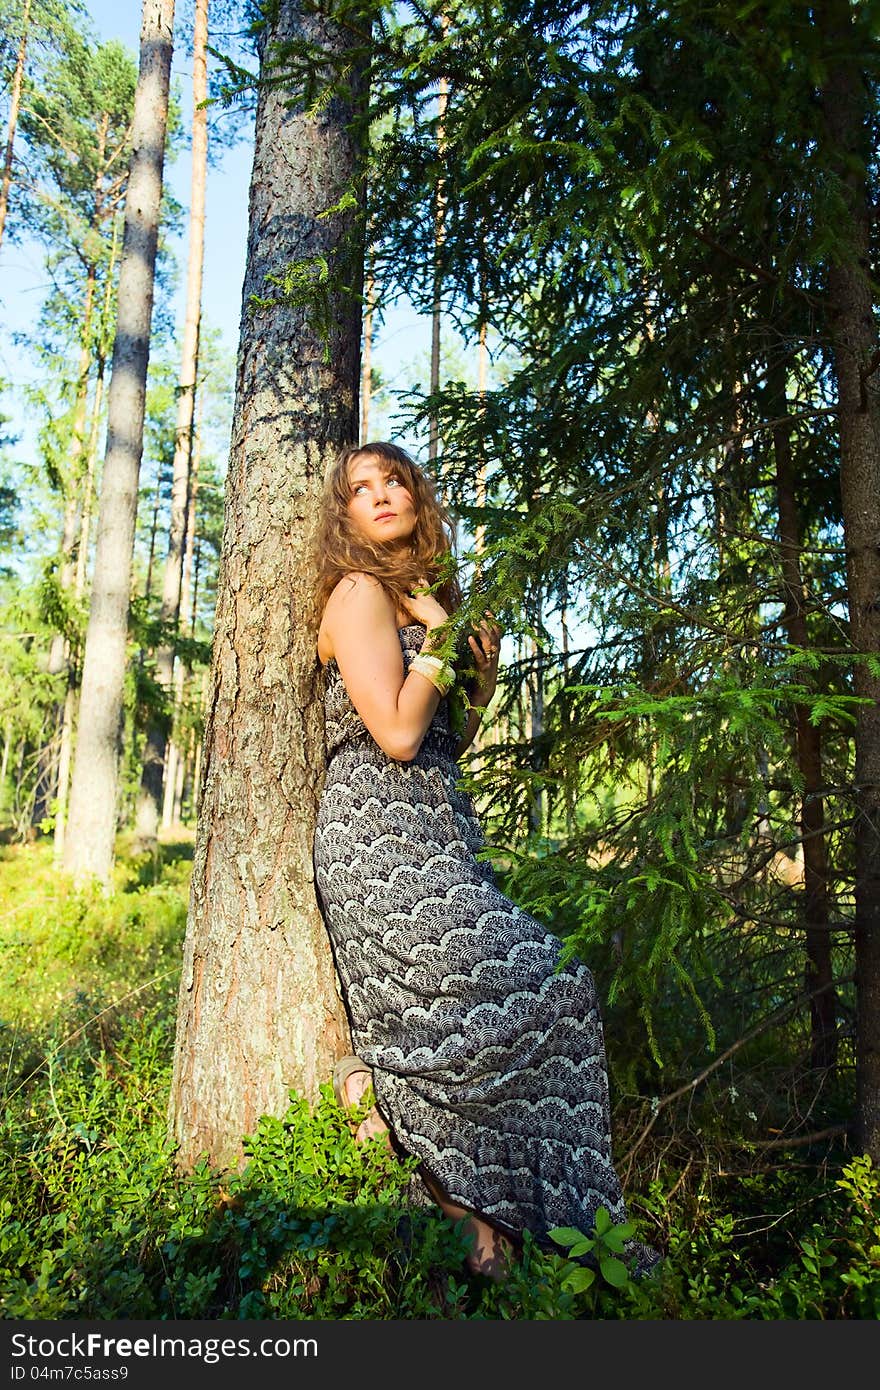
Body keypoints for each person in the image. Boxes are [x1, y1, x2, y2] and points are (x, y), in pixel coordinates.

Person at [311, 439, 659, 1282]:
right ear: (346, 517)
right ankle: (413, 1135)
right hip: (377, 838)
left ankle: (513, 1210)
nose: (383, 494)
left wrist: (481, 672)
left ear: (417, 500)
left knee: (546, 992)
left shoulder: (420, 600)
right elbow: (393, 733)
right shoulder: (359, 594)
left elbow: (444, 740)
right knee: (526, 988)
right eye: (362, 488)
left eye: (396, 479)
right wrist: (441, 633)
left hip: (437, 830)